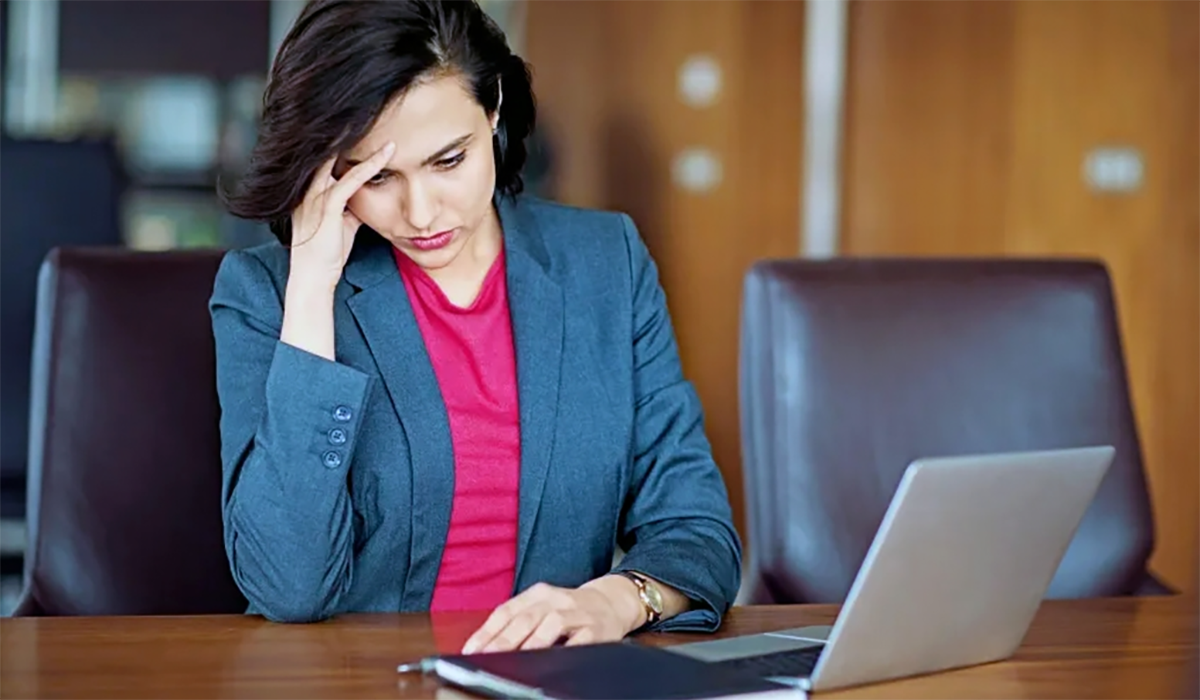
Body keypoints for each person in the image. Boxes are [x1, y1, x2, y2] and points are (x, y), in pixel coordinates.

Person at [210, 0, 741, 653]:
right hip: (358, 681)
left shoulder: (605, 262)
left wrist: (616, 599)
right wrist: (314, 289)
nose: (421, 212)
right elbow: (287, 586)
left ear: (491, 109)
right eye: (376, 178)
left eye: (449, 161)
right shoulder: (268, 295)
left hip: (555, 682)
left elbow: (697, 528)